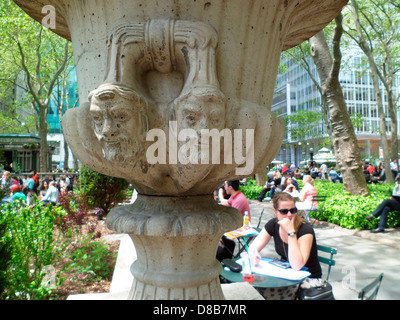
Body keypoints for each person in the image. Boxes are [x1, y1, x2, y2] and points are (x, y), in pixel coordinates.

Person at [250, 192, 322, 279]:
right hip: (285, 275)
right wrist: (255, 255)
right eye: (284, 211)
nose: (289, 214)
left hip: (308, 280)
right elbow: (252, 249)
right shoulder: (273, 224)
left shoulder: (305, 229)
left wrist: (291, 232)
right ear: (275, 212)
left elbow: (297, 265)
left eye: (293, 210)